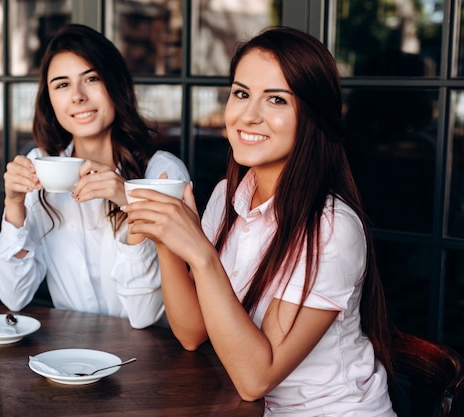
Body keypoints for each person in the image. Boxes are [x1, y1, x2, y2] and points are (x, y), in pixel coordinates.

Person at [122, 26, 396, 415]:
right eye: (241, 93)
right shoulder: (226, 197)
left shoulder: (332, 228)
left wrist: (201, 254)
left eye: (276, 100)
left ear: (313, 115)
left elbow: (256, 378)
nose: (249, 116)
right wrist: (168, 238)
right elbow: (191, 333)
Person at [0, 24, 190, 329]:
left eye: (92, 79)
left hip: (149, 358)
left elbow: (144, 315)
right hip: (71, 357)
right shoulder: (41, 166)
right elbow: (14, 297)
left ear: (116, 84)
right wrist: (14, 206)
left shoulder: (161, 172)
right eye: (62, 85)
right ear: (50, 100)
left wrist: (130, 201)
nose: (77, 97)